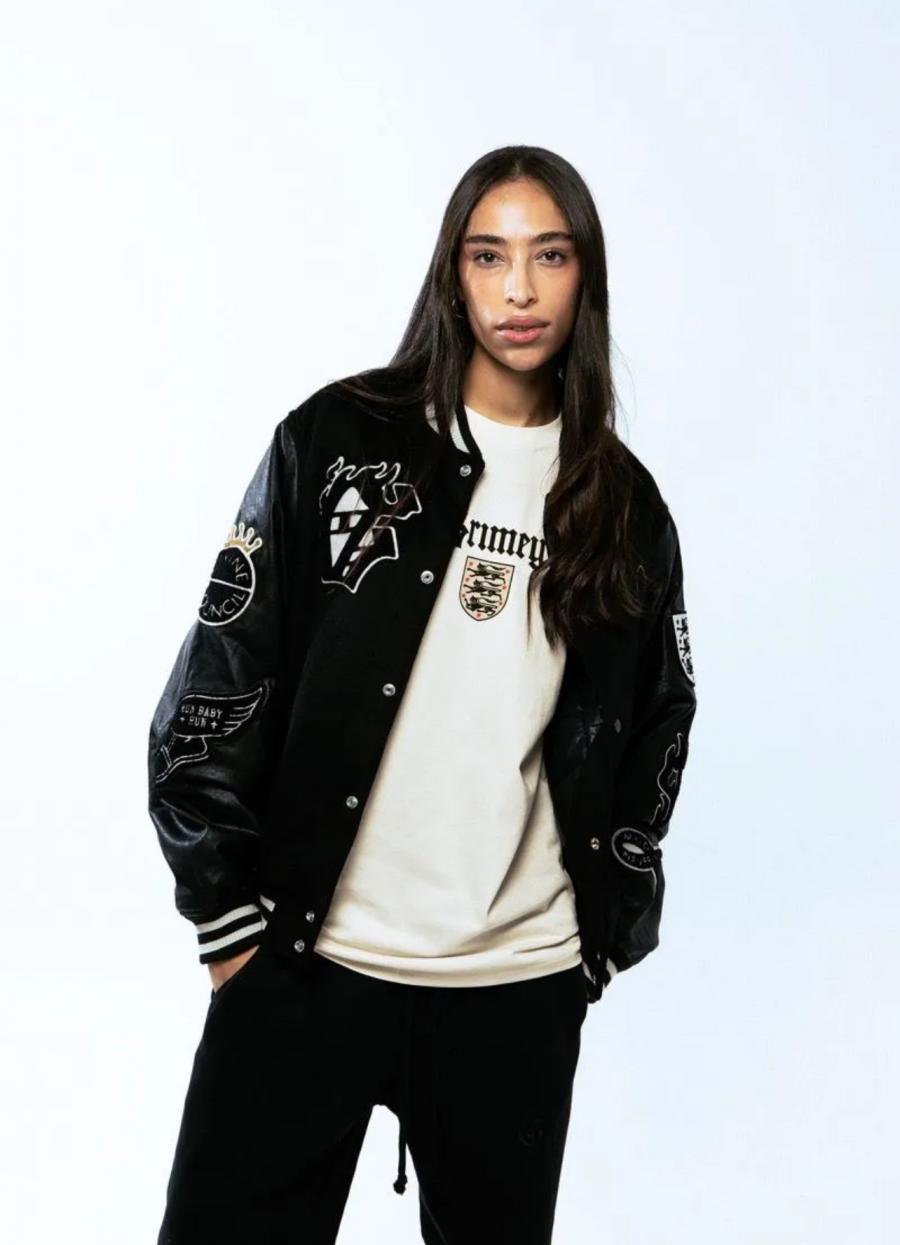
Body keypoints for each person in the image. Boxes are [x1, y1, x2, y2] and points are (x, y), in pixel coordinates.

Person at [148, 144, 698, 1245]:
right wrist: (225, 920)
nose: (519, 289)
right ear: (452, 274)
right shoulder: (336, 443)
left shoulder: (621, 506)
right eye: (489, 256)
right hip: (305, 959)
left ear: (586, 277)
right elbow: (222, 672)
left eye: (550, 256)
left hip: (516, 984)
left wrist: (595, 942)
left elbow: (658, 722)